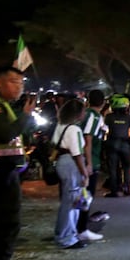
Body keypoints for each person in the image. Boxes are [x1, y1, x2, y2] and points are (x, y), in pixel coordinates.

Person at [0, 66, 35, 260]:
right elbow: (4, 133)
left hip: (5, 172)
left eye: (21, 82)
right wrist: (26, 115)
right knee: (7, 223)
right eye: (13, 81)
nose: (19, 86)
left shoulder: (7, 106)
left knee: (5, 224)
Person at [53, 98, 91, 249]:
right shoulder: (74, 129)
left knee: (68, 200)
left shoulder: (61, 125)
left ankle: (65, 233)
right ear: (77, 113)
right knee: (72, 202)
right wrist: (85, 173)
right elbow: (77, 153)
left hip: (62, 161)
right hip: (71, 163)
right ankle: (66, 238)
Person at [76, 89, 108, 239]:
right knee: (86, 196)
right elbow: (87, 140)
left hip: (80, 158)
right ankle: (81, 229)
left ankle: (76, 228)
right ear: (103, 102)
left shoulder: (85, 113)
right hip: (89, 160)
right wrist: (89, 163)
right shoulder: (93, 116)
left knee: (81, 195)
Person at [104, 94, 130, 197]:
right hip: (125, 144)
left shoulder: (109, 117)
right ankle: (127, 188)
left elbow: (103, 130)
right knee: (126, 167)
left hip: (112, 144)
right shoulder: (128, 117)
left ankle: (114, 191)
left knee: (112, 168)